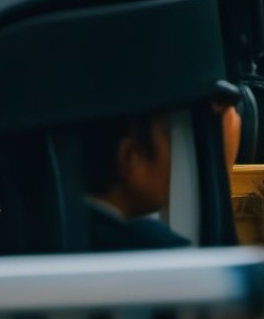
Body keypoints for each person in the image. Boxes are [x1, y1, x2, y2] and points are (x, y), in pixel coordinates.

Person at [81, 99, 242, 252]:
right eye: (166, 135)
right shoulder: (156, 251)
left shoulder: (65, 234)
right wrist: (221, 170)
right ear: (130, 156)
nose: (172, 155)